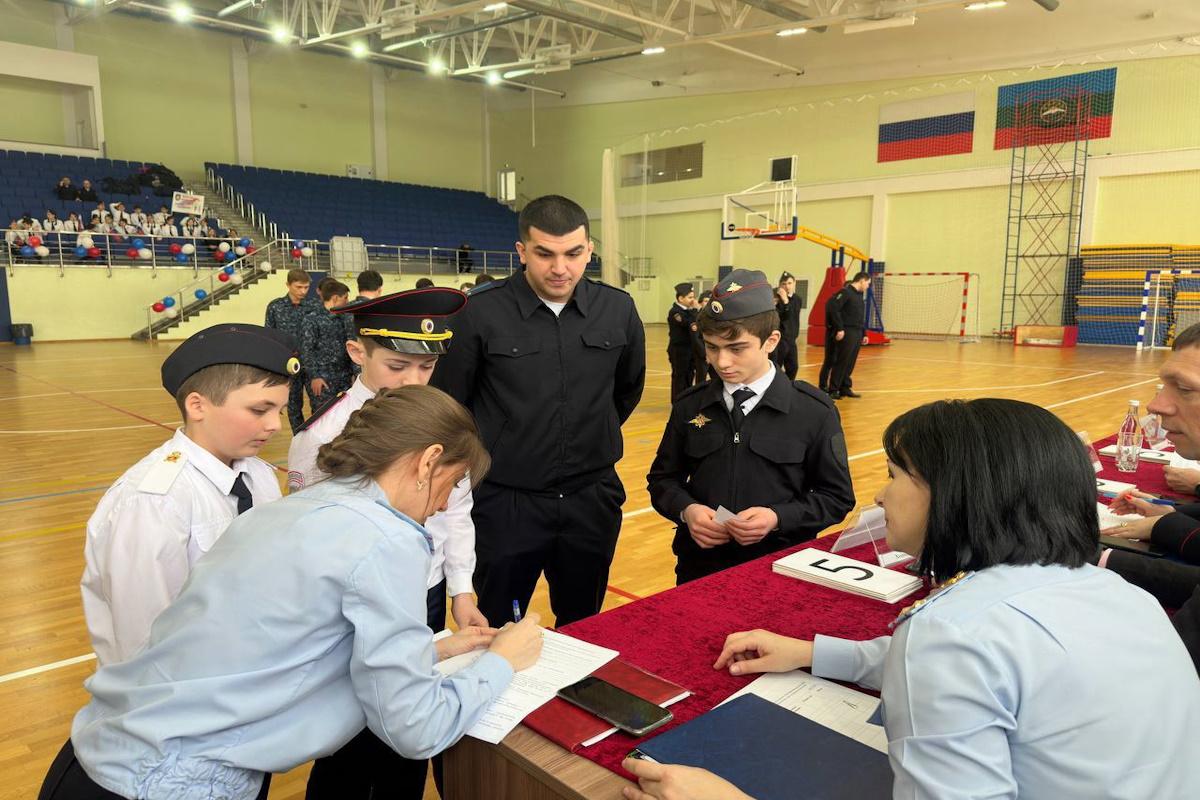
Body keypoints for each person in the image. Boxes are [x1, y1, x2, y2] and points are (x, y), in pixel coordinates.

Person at [625, 398, 1200, 800]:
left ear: (955, 497)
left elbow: (961, 660)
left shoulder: (953, 635)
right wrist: (814, 651)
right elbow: (997, 677)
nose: (880, 492)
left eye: (897, 474)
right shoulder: (1116, 592)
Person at [39, 386, 545, 800]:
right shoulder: (388, 537)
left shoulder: (291, 508)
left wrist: (431, 652)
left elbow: (283, 652)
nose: (441, 507)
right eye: (452, 483)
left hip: (99, 760)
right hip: (170, 783)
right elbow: (415, 730)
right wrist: (503, 661)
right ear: (428, 460)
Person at [289, 289, 488, 799]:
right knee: (349, 745)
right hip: (350, 612)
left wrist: (461, 591)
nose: (413, 382)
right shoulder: (323, 437)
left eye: (426, 368)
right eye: (398, 366)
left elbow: (456, 514)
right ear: (359, 353)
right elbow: (309, 546)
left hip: (421, 595)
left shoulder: (439, 420)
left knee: (411, 737)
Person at [431, 194, 646, 627]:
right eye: (545, 254)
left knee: (585, 621)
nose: (560, 268)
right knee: (494, 624)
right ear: (522, 251)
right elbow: (452, 402)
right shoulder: (480, 311)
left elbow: (626, 391)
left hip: (591, 499)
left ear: (589, 250)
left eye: (573, 254)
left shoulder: (617, 308)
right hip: (507, 503)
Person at [81, 324, 299, 667]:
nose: (275, 425)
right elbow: (145, 639)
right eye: (260, 410)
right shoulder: (154, 503)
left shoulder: (259, 476)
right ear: (197, 406)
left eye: (281, 411)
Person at [646, 269, 855, 584]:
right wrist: (686, 510)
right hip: (700, 568)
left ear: (770, 341)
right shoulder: (691, 405)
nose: (721, 362)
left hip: (781, 569)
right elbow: (663, 479)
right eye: (711, 347)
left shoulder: (813, 412)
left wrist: (777, 517)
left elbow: (836, 497)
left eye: (737, 348)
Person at [265, 269, 321, 431]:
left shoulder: (315, 306)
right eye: (298, 287)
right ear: (288, 285)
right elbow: (269, 335)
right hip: (288, 364)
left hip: (313, 363)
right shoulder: (275, 307)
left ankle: (316, 436)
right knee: (293, 405)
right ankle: (299, 437)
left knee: (318, 403)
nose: (303, 291)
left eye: (306, 287)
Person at [300, 279, 354, 408]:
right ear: (335, 298)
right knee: (322, 416)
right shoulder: (312, 319)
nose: (347, 302)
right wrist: (315, 376)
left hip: (344, 378)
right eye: (345, 298)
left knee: (345, 414)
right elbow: (307, 350)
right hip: (323, 380)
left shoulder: (345, 318)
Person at [819, 271, 870, 400]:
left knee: (850, 362)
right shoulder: (846, 292)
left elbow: (860, 317)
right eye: (868, 283)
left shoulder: (859, 296)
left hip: (857, 332)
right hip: (848, 331)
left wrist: (864, 333)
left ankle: (845, 387)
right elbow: (833, 307)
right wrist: (839, 328)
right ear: (862, 280)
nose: (868, 286)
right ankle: (833, 389)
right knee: (842, 361)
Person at [667, 282, 697, 402]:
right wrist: (695, 310)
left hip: (690, 349)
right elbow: (688, 323)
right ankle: (677, 401)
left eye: (693, 297)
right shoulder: (675, 312)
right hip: (679, 350)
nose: (692, 300)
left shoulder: (688, 311)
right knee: (680, 376)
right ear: (680, 298)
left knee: (689, 375)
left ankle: (687, 400)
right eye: (690, 297)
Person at [772, 272, 801, 380]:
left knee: (793, 367)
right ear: (780, 285)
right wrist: (784, 301)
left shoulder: (797, 299)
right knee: (776, 366)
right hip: (780, 338)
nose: (787, 286)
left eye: (789, 283)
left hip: (792, 338)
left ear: (794, 283)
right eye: (784, 284)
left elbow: (793, 318)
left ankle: (789, 388)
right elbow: (783, 317)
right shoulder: (775, 298)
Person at [690, 291, 711, 385]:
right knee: (701, 379)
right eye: (706, 301)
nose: (708, 303)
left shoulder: (715, 317)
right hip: (702, 355)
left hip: (713, 354)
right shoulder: (696, 316)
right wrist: (705, 354)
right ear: (700, 302)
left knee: (716, 379)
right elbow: (696, 338)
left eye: (710, 301)